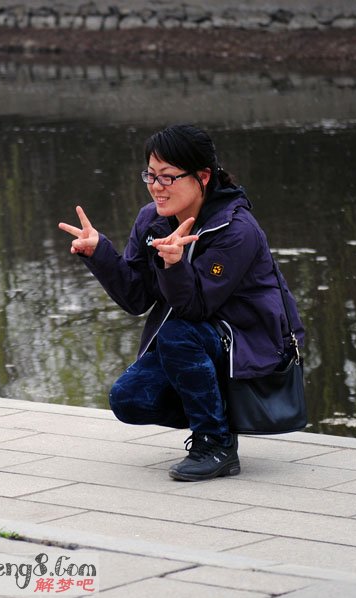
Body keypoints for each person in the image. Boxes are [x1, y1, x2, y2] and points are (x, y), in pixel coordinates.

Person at [59, 124, 304, 482]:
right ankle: (214, 415)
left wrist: (172, 265)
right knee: (129, 398)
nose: (156, 187)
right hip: (197, 339)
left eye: (168, 178)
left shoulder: (237, 231)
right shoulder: (152, 220)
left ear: (202, 176)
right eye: (151, 175)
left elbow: (197, 307)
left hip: (252, 345)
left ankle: (216, 445)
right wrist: (100, 253)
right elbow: (136, 297)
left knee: (177, 333)